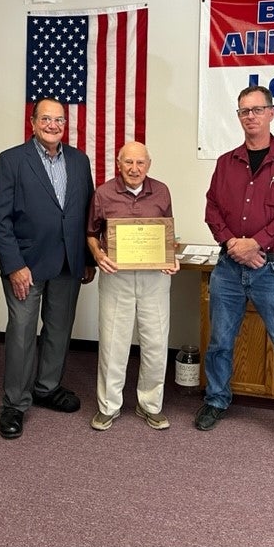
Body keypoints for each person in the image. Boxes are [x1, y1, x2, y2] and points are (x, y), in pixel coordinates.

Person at [195, 85, 274, 449]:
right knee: (219, 341)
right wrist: (233, 243)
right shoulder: (226, 162)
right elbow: (212, 208)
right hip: (229, 267)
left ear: (271, 113)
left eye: (257, 109)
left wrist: (256, 243)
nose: (251, 116)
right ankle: (216, 399)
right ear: (239, 116)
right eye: (244, 111)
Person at [0, 97, 96, 439]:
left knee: (59, 329)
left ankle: (47, 388)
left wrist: (89, 259)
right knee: (22, 333)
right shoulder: (11, 160)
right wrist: (13, 264)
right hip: (26, 265)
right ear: (33, 122)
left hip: (68, 262)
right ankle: (15, 404)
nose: (53, 125)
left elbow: (87, 214)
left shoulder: (80, 161)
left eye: (59, 120)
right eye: (46, 119)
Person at [87, 141, 179, 431]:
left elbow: (166, 235)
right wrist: (98, 254)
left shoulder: (162, 190)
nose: (134, 169)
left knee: (155, 342)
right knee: (113, 343)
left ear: (148, 165)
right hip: (117, 276)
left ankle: (150, 405)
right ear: (119, 163)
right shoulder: (103, 192)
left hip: (154, 278)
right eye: (128, 162)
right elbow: (91, 233)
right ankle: (108, 406)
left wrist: (171, 256)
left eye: (140, 163)